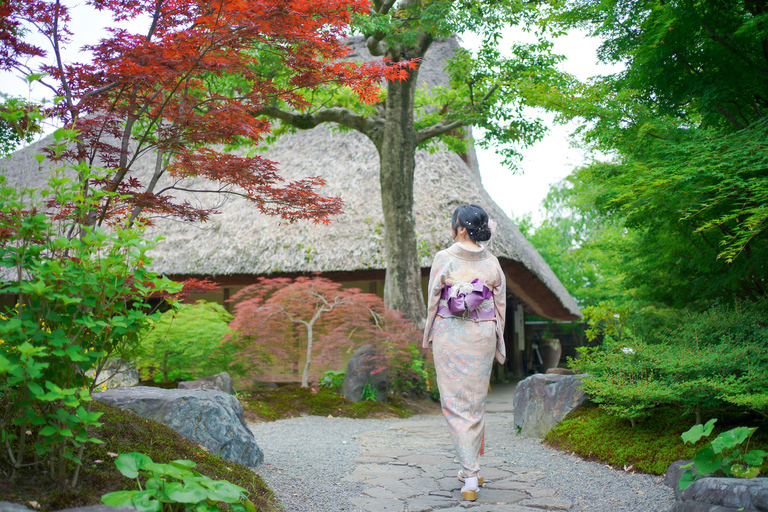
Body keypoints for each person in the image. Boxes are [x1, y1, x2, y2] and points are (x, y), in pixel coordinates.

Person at [422, 204, 506, 502]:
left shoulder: (444, 258)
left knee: (455, 404)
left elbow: (434, 300)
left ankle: (470, 476)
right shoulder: (492, 262)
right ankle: (473, 467)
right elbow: (500, 305)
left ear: (460, 228)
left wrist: (428, 332)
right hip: (482, 333)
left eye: (453, 223)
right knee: (475, 401)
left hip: (451, 333)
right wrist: (499, 339)